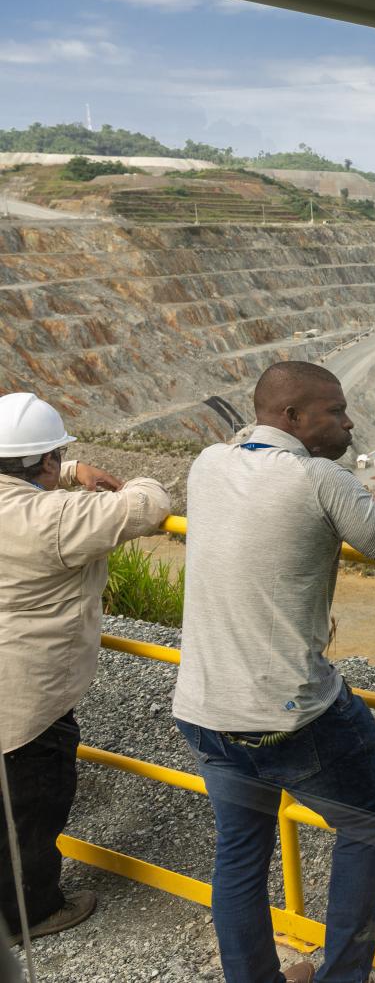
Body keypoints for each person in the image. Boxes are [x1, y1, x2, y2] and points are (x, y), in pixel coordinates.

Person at [173, 362, 375, 983]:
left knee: (239, 853)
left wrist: (359, 505)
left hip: (204, 708)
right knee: (366, 820)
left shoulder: (209, 463)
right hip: (289, 716)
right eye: (334, 411)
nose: (348, 422)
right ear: (292, 417)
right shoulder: (320, 477)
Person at [0, 392, 171, 944]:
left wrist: (67, 469)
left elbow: (31, 477)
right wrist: (135, 479)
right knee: (31, 808)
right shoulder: (50, 517)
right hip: (28, 700)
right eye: (56, 458)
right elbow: (148, 505)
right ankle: (33, 913)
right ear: (44, 463)